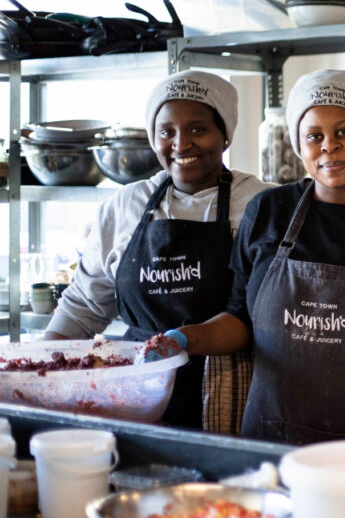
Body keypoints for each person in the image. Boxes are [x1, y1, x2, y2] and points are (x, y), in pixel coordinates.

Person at [153, 69, 345, 444]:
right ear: (298, 145)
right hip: (273, 437)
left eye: (344, 132)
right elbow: (240, 318)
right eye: (314, 136)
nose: (329, 146)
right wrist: (185, 338)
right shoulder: (268, 212)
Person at [44, 71, 270, 430]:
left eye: (198, 129)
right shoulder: (125, 206)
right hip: (136, 390)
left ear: (225, 134)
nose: (181, 144)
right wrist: (39, 366)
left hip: (232, 392)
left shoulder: (261, 204)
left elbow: (268, 316)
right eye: (166, 132)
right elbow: (84, 306)